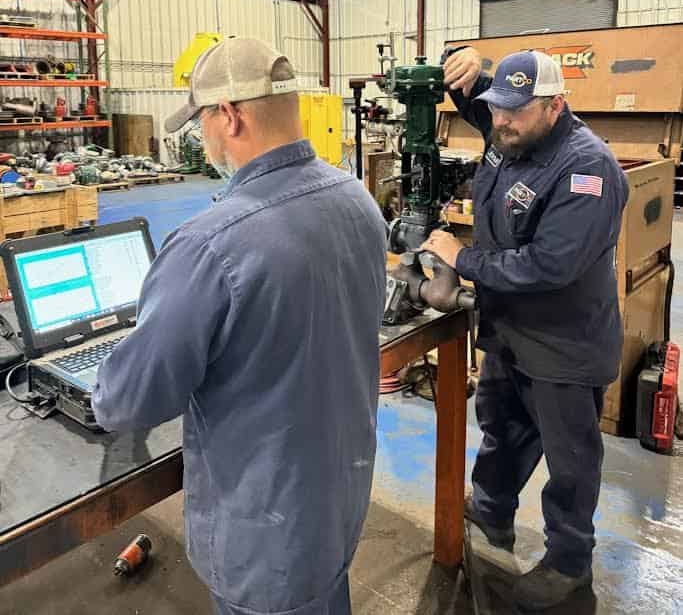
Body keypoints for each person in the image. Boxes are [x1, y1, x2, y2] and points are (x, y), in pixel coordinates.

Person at [92, 37, 387, 615]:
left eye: (201, 120)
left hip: (264, 533)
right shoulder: (358, 202)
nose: (201, 136)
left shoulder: (209, 244)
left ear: (229, 115)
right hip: (337, 500)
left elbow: (127, 401)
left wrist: (99, 374)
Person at [422, 47, 628, 611]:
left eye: (515, 111)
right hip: (510, 331)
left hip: (564, 345)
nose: (500, 121)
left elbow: (549, 265)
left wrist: (461, 259)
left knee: (570, 460)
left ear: (555, 106)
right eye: (496, 108)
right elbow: (474, 90)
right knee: (503, 427)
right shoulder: (511, 129)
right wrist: (460, 61)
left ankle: (569, 563)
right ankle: (492, 514)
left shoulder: (587, 170)